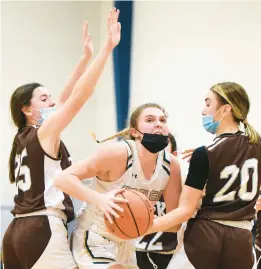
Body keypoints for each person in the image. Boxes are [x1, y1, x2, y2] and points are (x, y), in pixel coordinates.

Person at [2, 7, 121, 269]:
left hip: (15, 232)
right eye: (44, 99)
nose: (53, 103)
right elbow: (80, 94)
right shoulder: (44, 132)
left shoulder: (22, 138)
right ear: (26, 108)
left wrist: (84, 58)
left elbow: (65, 97)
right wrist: (106, 51)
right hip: (42, 228)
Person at [53, 103, 182, 269]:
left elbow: (174, 222)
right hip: (95, 235)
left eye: (162, 120)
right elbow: (62, 179)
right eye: (150, 119)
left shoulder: (171, 165)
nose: (158, 123)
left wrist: (144, 224)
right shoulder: (117, 153)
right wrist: (100, 199)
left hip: (127, 241)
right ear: (134, 132)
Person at [148, 82, 261, 269]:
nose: (203, 111)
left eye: (208, 104)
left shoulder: (205, 153)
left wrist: (148, 226)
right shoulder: (256, 146)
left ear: (225, 110)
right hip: (241, 239)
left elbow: (185, 210)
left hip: (205, 237)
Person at [136, 133, 179, 269]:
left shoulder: (183, 188)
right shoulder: (129, 183)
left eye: (162, 153)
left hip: (169, 255)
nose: (156, 157)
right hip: (133, 253)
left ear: (174, 156)